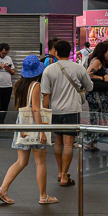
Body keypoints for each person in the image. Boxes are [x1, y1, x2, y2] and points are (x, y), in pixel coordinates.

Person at [0, 56, 54, 205]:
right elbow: (35, 109)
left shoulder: (20, 85)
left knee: (21, 161)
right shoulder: (36, 85)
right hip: (35, 124)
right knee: (40, 162)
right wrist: (41, 130)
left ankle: (3, 189)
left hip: (22, 125)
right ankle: (43, 196)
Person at [40, 40, 91, 189]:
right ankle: (64, 175)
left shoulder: (49, 70)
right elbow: (89, 86)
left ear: (55, 51)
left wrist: (44, 115)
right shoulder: (78, 68)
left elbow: (46, 95)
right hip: (72, 110)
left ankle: (59, 171)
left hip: (55, 111)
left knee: (59, 142)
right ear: (70, 52)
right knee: (69, 144)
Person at [83, 42, 108, 152]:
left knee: (96, 118)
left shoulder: (96, 60)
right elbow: (87, 74)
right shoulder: (97, 61)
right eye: (107, 51)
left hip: (96, 94)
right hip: (97, 95)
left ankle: (90, 143)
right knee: (107, 116)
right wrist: (101, 78)